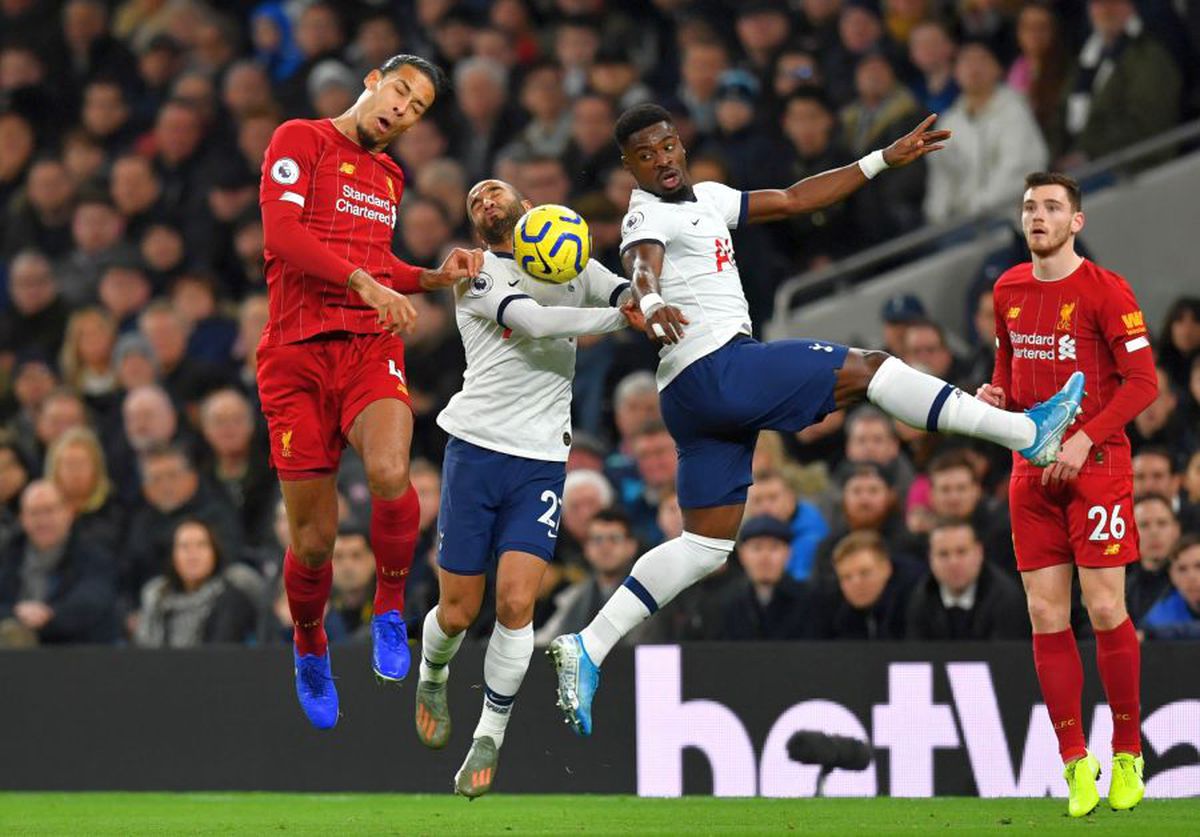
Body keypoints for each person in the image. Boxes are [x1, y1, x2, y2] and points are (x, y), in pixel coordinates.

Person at [549, 102, 1087, 738]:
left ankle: (587, 644)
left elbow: (796, 197)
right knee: (869, 368)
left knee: (705, 545)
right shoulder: (646, 214)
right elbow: (642, 262)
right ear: (628, 167)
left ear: (680, 145)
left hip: (692, 397)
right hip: (718, 367)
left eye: (667, 146)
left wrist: (883, 158)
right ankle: (1030, 435)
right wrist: (653, 296)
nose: (661, 160)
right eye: (646, 155)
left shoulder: (711, 199)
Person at [256, 53, 483, 729]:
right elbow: (283, 233)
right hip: (295, 358)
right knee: (316, 542)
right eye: (401, 92)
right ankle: (309, 641)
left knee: (391, 469)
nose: (403, 110)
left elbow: (375, 259)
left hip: (366, 347)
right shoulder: (300, 138)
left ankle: (390, 605)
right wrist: (365, 282)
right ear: (373, 82)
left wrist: (428, 278)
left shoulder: (389, 175)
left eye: (417, 109)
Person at [413, 177, 636, 798]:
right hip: (476, 451)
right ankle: (433, 671)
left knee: (516, 605)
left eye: (494, 191)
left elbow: (619, 285)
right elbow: (535, 322)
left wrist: (639, 292)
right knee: (458, 611)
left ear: (526, 205)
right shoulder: (475, 271)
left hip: (540, 461)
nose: (484, 199)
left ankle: (490, 734)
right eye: (473, 197)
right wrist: (625, 315)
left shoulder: (569, 253)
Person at [980, 172, 1158, 816]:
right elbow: (1006, 364)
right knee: (1046, 617)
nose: (1038, 215)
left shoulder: (1107, 291)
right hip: (1031, 469)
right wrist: (995, 399)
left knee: (1106, 608)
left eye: (1052, 207)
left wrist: (1085, 440)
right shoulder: (1007, 288)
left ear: (1075, 222)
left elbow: (1143, 383)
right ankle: (1076, 765)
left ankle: (1129, 754)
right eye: (1029, 206)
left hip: (1097, 465)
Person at [134, 519, 260, 648]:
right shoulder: (156, 598)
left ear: (215, 552)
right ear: (172, 555)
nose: (193, 554)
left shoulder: (232, 599)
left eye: (201, 545)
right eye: (184, 546)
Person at [905, 519, 1028, 640]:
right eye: (943, 554)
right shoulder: (921, 598)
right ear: (930, 558)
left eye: (961, 552)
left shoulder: (1006, 598)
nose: (953, 562)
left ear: (979, 553)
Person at [1140, 536, 1200, 640]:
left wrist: (1153, 635)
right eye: (1182, 569)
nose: (1191, 577)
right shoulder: (1157, 618)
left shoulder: (1152, 632)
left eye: (1199, 566)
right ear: (1172, 575)